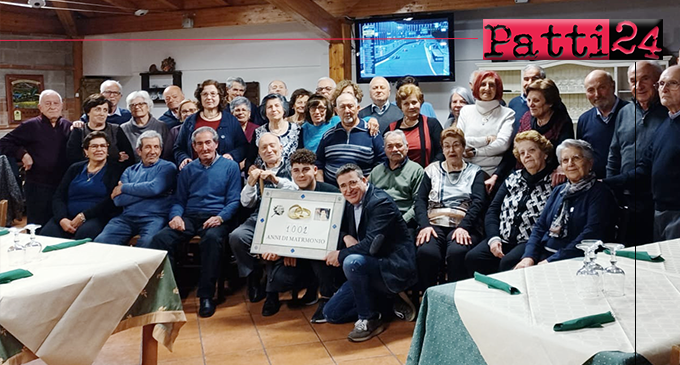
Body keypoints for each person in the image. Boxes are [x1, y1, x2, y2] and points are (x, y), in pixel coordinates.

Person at [150, 126, 242, 318]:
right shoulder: (188, 169)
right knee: (160, 239)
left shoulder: (230, 167)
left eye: (208, 142)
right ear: (194, 147)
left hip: (217, 217)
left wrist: (220, 217)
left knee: (211, 241)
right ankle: (170, 293)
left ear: (216, 144)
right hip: (190, 216)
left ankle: (206, 296)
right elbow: (179, 200)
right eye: (199, 144)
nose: (204, 147)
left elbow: (234, 201)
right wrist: (175, 216)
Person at [322, 163, 417, 342]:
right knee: (332, 314)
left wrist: (341, 255)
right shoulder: (349, 202)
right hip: (367, 267)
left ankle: (369, 318)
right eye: (343, 186)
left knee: (351, 261)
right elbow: (335, 226)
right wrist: (346, 236)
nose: (348, 189)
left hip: (391, 266)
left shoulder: (380, 202)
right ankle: (385, 304)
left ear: (364, 180)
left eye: (352, 183)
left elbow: (370, 247)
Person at [256, 148, 341, 317]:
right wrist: (285, 250)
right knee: (280, 274)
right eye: (296, 170)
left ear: (315, 170)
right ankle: (271, 295)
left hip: (322, 255)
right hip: (296, 256)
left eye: (305, 170)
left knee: (321, 256)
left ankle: (325, 298)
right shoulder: (285, 196)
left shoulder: (332, 193)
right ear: (291, 173)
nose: (301, 175)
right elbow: (277, 229)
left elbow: (338, 230)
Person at [606, 65, 680, 241]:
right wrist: (606, 184)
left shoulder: (664, 118)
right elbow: (644, 168)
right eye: (662, 84)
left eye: (672, 83)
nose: (664, 88)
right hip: (658, 209)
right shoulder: (666, 125)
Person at [516, 139, 616, 268]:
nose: (570, 164)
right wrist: (528, 257)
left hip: (575, 259)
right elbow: (540, 227)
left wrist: (551, 261)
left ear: (590, 163)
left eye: (576, 158)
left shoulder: (600, 193)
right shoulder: (559, 190)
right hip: (545, 255)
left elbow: (591, 234)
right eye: (565, 160)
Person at [465, 131, 554, 274]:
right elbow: (493, 210)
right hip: (503, 238)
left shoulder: (554, 182)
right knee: (474, 257)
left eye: (532, 150)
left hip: (530, 242)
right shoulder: (513, 178)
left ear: (544, 154)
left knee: (508, 263)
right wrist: (493, 238)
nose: (527, 155)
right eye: (522, 152)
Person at [229, 133, 298, 304]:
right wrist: (251, 184)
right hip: (260, 217)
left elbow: (299, 191)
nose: (269, 150)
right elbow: (246, 203)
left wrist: (277, 181)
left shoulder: (293, 168)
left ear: (281, 147)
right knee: (237, 237)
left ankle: (272, 291)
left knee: (271, 241)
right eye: (263, 148)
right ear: (258, 152)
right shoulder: (256, 170)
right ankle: (252, 277)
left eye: (272, 146)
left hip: (287, 219)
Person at [414, 127, 487, 289]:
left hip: (464, 226)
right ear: (442, 149)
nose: (451, 150)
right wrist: (425, 226)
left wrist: (464, 227)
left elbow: (478, 202)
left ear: (463, 147)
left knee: (457, 253)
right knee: (427, 252)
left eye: (456, 145)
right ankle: (429, 300)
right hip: (433, 225)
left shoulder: (475, 172)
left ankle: (455, 301)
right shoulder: (432, 170)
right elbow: (419, 200)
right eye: (447, 146)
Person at [0, 90, 72, 226]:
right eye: (48, 103)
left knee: (60, 225)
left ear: (61, 106)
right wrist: (23, 154)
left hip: (63, 185)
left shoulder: (69, 126)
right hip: (38, 185)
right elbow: (3, 143)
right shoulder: (30, 126)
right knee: (37, 227)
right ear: (40, 107)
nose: (52, 107)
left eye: (56, 103)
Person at [95, 131, 177, 248]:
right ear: (139, 151)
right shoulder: (129, 170)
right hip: (126, 218)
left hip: (154, 218)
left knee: (147, 243)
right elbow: (119, 200)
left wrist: (124, 187)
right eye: (148, 147)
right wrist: (148, 192)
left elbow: (154, 188)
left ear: (161, 150)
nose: (152, 151)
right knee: (100, 242)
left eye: (156, 147)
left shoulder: (168, 167)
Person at [493, 79, 574, 189]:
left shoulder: (562, 122)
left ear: (549, 102)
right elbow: (513, 151)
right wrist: (496, 175)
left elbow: (566, 152)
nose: (530, 105)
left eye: (536, 100)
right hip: (520, 174)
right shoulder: (526, 117)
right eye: (528, 99)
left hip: (546, 179)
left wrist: (561, 167)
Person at [41, 131, 123, 240]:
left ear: (107, 150)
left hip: (96, 216)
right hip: (68, 216)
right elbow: (59, 196)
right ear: (86, 151)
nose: (99, 149)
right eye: (94, 146)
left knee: (84, 236)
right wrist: (62, 218)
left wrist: (83, 216)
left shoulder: (115, 170)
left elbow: (110, 201)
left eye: (103, 146)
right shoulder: (75, 168)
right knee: (47, 235)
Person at [174, 79, 248, 170]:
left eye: (213, 94)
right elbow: (178, 148)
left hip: (224, 172)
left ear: (219, 96)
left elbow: (243, 147)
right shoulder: (190, 121)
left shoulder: (231, 121)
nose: (209, 97)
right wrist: (183, 159)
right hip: (195, 173)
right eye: (205, 94)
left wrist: (232, 155)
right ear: (200, 97)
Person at [457, 70, 515, 185]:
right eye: (483, 84)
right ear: (476, 87)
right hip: (465, 172)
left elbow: (502, 145)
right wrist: (486, 140)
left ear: (498, 88)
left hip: (492, 175)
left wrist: (476, 152)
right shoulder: (465, 111)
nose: (487, 88)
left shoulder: (508, 114)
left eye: (492, 85)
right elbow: (459, 141)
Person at [316, 93, 386, 185]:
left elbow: (382, 162)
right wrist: (322, 187)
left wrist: (364, 184)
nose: (347, 111)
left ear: (357, 109)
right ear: (336, 110)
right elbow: (318, 163)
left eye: (350, 106)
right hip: (332, 191)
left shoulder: (372, 133)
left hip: (362, 190)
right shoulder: (328, 135)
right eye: (342, 107)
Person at [577, 70, 629, 178]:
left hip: (628, 185)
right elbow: (582, 156)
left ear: (613, 86)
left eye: (602, 87)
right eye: (591, 90)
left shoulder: (632, 113)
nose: (597, 94)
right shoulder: (584, 120)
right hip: (596, 185)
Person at [369, 130, 424, 228]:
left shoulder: (416, 170)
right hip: (378, 221)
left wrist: (401, 221)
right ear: (384, 150)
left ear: (407, 147)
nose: (394, 149)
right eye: (389, 146)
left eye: (399, 145)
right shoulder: (376, 172)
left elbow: (418, 204)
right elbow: (368, 200)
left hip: (404, 222)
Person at [67, 94, 135, 169]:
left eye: (105, 110)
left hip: (114, 173)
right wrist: (115, 157)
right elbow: (73, 159)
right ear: (88, 112)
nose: (102, 113)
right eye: (97, 109)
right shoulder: (79, 131)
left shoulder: (116, 130)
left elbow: (128, 157)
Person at [387, 84, 443, 168]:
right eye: (406, 104)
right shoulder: (392, 128)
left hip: (427, 175)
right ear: (400, 106)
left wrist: (430, 170)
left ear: (420, 103)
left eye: (414, 102)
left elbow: (442, 150)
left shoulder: (431, 124)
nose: (411, 107)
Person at [248, 93, 302, 169]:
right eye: (269, 107)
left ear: (284, 109)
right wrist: (251, 169)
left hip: (290, 177)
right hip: (263, 176)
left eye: (277, 106)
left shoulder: (297, 130)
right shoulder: (258, 132)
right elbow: (250, 159)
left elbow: (302, 157)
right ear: (265, 111)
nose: (273, 109)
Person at [120, 90, 172, 162]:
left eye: (141, 104)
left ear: (148, 106)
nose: (137, 107)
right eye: (133, 105)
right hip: (132, 169)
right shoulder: (123, 128)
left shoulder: (161, 126)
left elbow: (167, 153)